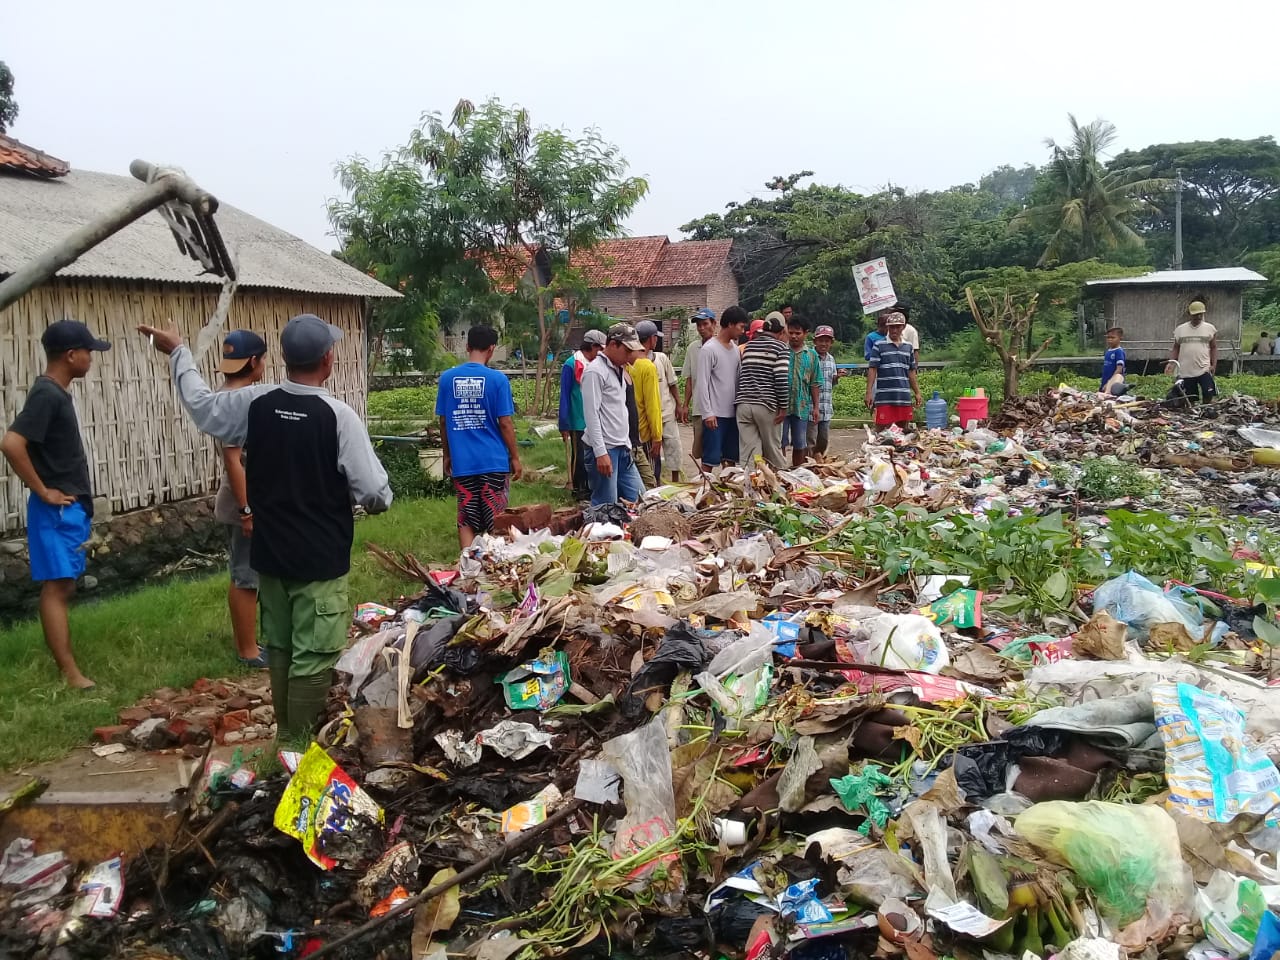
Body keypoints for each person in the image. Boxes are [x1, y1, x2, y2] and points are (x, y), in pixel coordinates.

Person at [140, 314, 392, 741]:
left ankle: (283, 740)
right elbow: (373, 492)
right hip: (319, 559)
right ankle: (298, 744)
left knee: (280, 647)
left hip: (270, 555)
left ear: (284, 358)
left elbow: (202, 407)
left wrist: (179, 353)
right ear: (328, 359)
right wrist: (376, 498)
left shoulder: (256, 403)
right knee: (314, 653)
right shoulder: (338, 417)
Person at [1, 320, 110, 689]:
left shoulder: (55, 392)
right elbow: (12, 443)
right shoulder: (47, 395)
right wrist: (44, 490)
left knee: (65, 585)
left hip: (67, 509)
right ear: (71, 355)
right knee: (57, 588)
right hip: (56, 509)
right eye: (88, 351)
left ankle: (69, 667)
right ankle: (70, 674)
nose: (91, 358)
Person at [438, 325, 523, 549]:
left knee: (466, 519)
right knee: (496, 519)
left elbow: (444, 421)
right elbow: (504, 423)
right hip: (493, 462)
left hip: (463, 462)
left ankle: (468, 569)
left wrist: (447, 454)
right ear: (492, 349)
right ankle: (494, 566)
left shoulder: (447, 379)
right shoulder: (497, 380)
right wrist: (514, 457)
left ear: (467, 346)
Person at [214, 330, 269, 668]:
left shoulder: (229, 394)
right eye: (263, 359)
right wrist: (247, 510)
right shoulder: (236, 401)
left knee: (248, 573)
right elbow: (233, 459)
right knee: (246, 576)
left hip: (244, 498)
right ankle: (247, 650)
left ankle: (248, 641)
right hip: (242, 500)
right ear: (253, 362)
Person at [582, 323, 646, 506]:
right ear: (613, 345)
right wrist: (600, 452)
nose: (629, 356)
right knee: (606, 505)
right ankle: (600, 534)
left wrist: (627, 443)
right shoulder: (595, 371)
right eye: (627, 350)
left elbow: (619, 410)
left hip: (622, 447)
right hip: (604, 449)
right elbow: (591, 414)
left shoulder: (619, 369)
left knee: (641, 499)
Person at [735, 314, 789, 469]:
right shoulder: (781, 348)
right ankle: (781, 485)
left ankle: (750, 489)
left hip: (743, 405)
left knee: (749, 454)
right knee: (773, 452)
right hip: (767, 405)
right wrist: (783, 408)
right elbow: (780, 378)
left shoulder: (749, 346)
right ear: (781, 330)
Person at [696, 306, 747, 469]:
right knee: (710, 459)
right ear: (730, 324)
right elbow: (702, 383)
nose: (742, 331)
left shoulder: (735, 349)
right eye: (741, 326)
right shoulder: (709, 349)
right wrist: (707, 413)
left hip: (733, 413)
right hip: (715, 415)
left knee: (730, 459)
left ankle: (729, 491)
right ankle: (704, 490)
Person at [558, 328, 606, 500]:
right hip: (577, 419)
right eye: (600, 349)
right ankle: (579, 488)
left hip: (592, 419)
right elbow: (564, 394)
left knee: (592, 456)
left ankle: (590, 486)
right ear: (592, 347)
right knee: (578, 457)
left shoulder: (597, 366)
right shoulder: (571, 364)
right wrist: (563, 423)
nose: (601, 353)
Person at [636, 320, 683, 482]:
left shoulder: (661, 358)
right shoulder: (637, 362)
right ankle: (654, 482)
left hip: (666, 413)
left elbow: (672, 383)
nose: (657, 341)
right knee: (652, 454)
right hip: (649, 418)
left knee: (673, 449)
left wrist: (679, 404)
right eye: (656, 338)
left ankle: (675, 481)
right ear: (652, 338)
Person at [865, 312, 921, 429]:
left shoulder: (908, 347)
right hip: (884, 397)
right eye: (891, 327)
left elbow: (911, 372)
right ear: (887, 327)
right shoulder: (879, 345)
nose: (894, 330)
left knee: (903, 433)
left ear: (903, 327)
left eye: (898, 327)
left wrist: (917, 392)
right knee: (882, 432)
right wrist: (869, 392)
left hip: (903, 396)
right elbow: (873, 369)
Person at [783, 316, 823, 467]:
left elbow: (815, 383)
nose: (793, 336)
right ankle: (780, 471)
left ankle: (797, 471)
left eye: (797, 333)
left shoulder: (812, 356)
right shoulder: (781, 351)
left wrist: (816, 407)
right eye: (791, 332)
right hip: (781, 406)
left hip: (802, 405)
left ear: (805, 333)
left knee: (800, 443)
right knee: (780, 441)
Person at [627, 339, 662, 489]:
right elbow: (652, 405)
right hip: (645, 433)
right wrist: (657, 435)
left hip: (630, 432)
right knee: (651, 479)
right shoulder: (647, 366)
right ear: (652, 338)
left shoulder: (626, 366)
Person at [682, 308, 716, 462]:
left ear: (713, 324)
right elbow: (690, 379)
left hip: (718, 408)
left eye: (705, 324)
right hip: (699, 408)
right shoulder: (692, 348)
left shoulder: (721, 346)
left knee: (721, 447)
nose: (702, 328)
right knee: (700, 448)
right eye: (699, 325)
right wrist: (685, 405)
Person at [1170, 300, 1218, 403]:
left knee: (1208, 392)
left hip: (1203, 367)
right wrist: (1172, 362)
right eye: (1196, 314)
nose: (1198, 317)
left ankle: (1205, 409)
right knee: (1190, 396)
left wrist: (1214, 364)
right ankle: (1193, 413)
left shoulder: (1210, 329)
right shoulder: (1180, 330)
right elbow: (1176, 347)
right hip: (1186, 370)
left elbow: (1213, 347)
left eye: (1201, 314)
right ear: (1190, 314)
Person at [811, 325, 840, 455]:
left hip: (826, 406)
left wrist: (837, 377)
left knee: (823, 440)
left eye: (827, 341)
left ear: (831, 343)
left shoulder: (831, 359)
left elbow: (831, 381)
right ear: (815, 341)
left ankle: (819, 461)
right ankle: (808, 464)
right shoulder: (810, 356)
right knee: (810, 440)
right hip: (811, 407)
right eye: (821, 340)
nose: (823, 344)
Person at [1100, 326, 1127, 397]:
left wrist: (1109, 383)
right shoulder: (1108, 351)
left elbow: (1119, 369)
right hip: (1105, 380)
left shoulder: (1118, 352)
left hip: (1114, 382)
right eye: (1108, 338)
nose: (1110, 340)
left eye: (1112, 338)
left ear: (1120, 338)